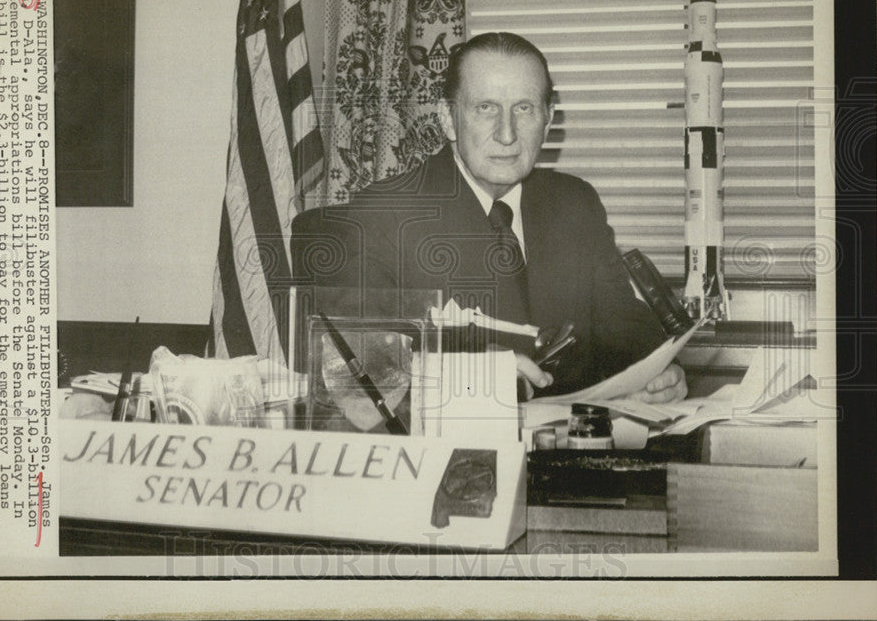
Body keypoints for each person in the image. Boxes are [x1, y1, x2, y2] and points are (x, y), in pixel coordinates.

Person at [292, 32, 686, 403]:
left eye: (524, 109)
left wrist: (661, 375)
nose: (507, 134)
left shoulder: (575, 204)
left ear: (548, 120)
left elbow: (626, 332)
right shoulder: (383, 216)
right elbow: (354, 375)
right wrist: (476, 380)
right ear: (448, 119)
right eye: (486, 109)